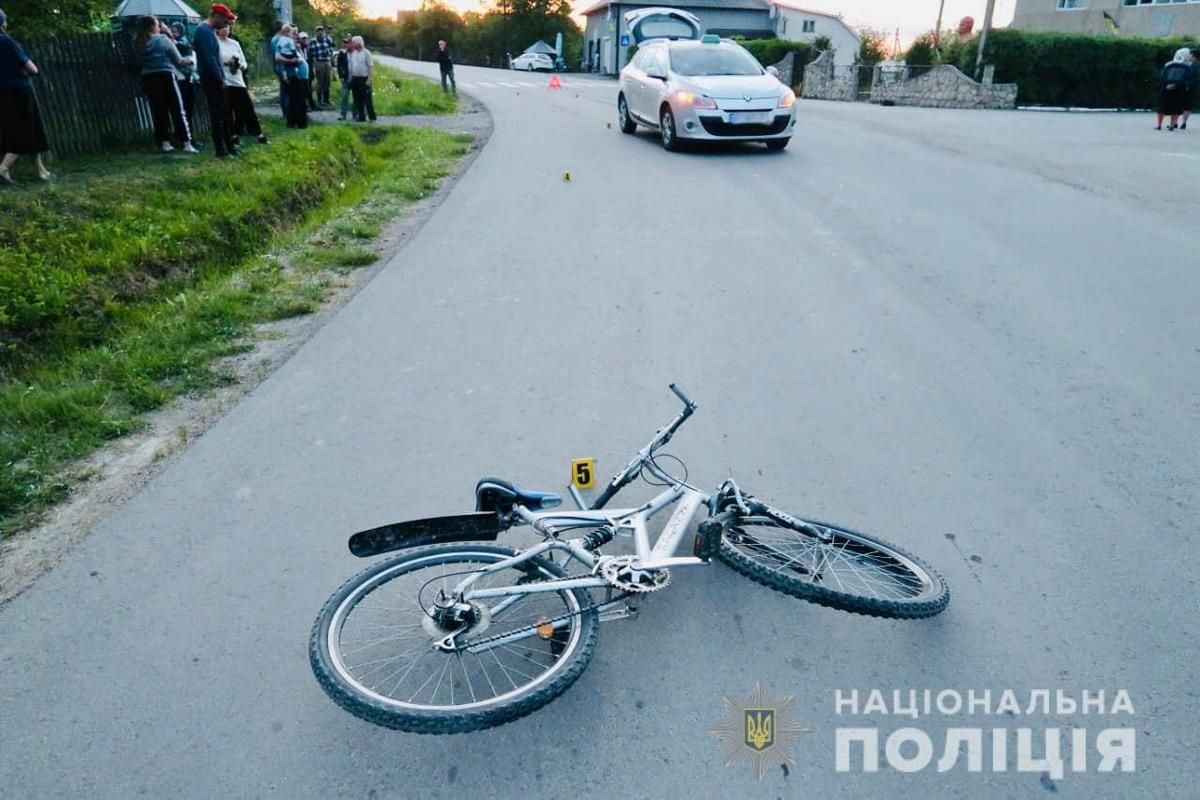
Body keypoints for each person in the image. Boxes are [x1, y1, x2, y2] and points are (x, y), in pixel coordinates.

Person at [0, 6, 51, 183]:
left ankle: (40, 170)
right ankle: (3, 168)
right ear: (2, 23)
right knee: (24, 130)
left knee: (27, 130)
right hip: (20, 91)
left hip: (2, 93)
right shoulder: (9, 43)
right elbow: (33, 69)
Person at [137, 15, 198, 154]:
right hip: (166, 76)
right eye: (158, 24)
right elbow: (179, 61)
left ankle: (165, 143)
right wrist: (192, 60)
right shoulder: (163, 40)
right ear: (153, 26)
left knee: (159, 111)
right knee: (177, 110)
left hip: (148, 78)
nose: (159, 27)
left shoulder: (138, 42)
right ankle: (186, 143)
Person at [217, 22, 267, 146]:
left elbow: (244, 62)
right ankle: (232, 135)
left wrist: (239, 64)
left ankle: (257, 133)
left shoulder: (234, 43)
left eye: (227, 27)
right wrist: (226, 62)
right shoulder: (215, 43)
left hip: (238, 79)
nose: (225, 29)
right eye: (223, 27)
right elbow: (215, 60)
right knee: (228, 110)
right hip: (225, 80)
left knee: (247, 107)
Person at [169, 21, 201, 151]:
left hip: (188, 79)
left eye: (175, 31)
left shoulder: (183, 43)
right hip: (180, 80)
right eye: (172, 31)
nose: (174, 34)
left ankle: (190, 138)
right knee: (183, 112)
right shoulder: (176, 43)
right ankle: (185, 138)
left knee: (188, 111)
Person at [1156, 47, 1194, 131]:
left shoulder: (1168, 64)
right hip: (1179, 90)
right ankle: (1172, 125)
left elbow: (1162, 77)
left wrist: (1166, 85)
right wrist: (1177, 85)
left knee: (1162, 107)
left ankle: (1159, 125)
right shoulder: (1188, 67)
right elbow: (1187, 79)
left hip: (1166, 88)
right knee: (1175, 108)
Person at [348, 35, 376, 122]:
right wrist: (351, 77)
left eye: (354, 42)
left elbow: (370, 67)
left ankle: (372, 117)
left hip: (364, 79)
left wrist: (369, 79)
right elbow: (352, 66)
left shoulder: (366, 53)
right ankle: (361, 117)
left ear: (359, 43)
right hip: (355, 78)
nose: (352, 44)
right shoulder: (353, 53)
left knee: (367, 99)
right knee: (357, 99)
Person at [310, 25, 333, 107]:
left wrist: (330, 59)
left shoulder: (327, 40)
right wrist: (315, 63)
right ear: (316, 32)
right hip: (319, 61)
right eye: (318, 30)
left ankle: (326, 99)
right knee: (320, 81)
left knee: (327, 81)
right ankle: (319, 100)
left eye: (321, 30)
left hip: (327, 61)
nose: (320, 32)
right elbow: (312, 53)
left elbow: (330, 49)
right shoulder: (313, 41)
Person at [334, 35, 352, 120]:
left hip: (354, 77)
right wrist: (340, 76)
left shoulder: (354, 53)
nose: (346, 44)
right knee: (344, 96)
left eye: (348, 42)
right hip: (345, 77)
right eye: (345, 42)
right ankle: (343, 114)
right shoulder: (342, 53)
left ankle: (355, 114)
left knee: (355, 97)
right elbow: (339, 66)